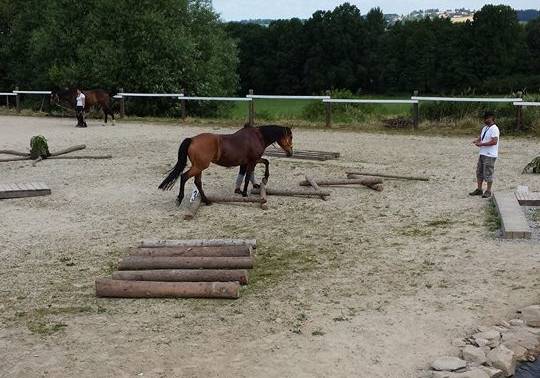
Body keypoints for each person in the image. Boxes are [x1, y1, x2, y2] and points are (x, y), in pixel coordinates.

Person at [469, 111, 500, 199]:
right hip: (483, 153)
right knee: (479, 172)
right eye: (485, 118)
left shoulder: (494, 129)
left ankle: (488, 191)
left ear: (492, 118)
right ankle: (479, 189)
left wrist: (482, 144)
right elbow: (482, 136)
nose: (486, 120)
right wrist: (477, 140)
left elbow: (494, 141)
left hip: (490, 155)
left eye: (487, 118)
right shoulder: (485, 128)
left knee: (488, 172)